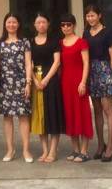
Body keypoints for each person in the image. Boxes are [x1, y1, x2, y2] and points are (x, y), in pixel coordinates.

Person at [0, 12, 33, 163]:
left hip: (21, 83)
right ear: (5, 24)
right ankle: (10, 149)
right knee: (7, 117)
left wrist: (28, 83)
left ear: (18, 24)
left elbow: (28, 64)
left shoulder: (24, 42)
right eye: (9, 22)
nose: (11, 25)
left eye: (14, 22)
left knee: (23, 116)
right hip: (4, 84)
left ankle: (26, 150)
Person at [83, 4, 112, 162]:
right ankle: (100, 145)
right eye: (88, 16)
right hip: (91, 72)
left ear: (99, 15)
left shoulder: (108, 32)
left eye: (93, 15)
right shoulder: (86, 33)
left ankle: (110, 147)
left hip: (105, 71)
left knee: (107, 109)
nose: (90, 18)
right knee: (96, 110)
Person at [30, 12, 64, 163]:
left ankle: (53, 151)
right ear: (34, 25)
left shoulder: (54, 40)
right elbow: (28, 63)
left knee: (53, 114)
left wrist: (46, 79)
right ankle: (44, 150)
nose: (41, 25)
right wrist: (34, 80)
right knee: (40, 116)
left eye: (43, 22)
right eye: (38, 22)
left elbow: (57, 62)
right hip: (36, 81)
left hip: (51, 80)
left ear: (48, 24)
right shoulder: (31, 42)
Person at [59, 12, 93, 162]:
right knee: (70, 115)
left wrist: (83, 82)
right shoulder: (60, 43)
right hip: (65, 83)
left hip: (79, 83)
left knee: (82, 115)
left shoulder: (81, 42)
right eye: (63, 25)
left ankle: (84, 151)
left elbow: (86, 63)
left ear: (74, 25)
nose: (66, 27)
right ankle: (75, 150)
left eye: (69, 24)